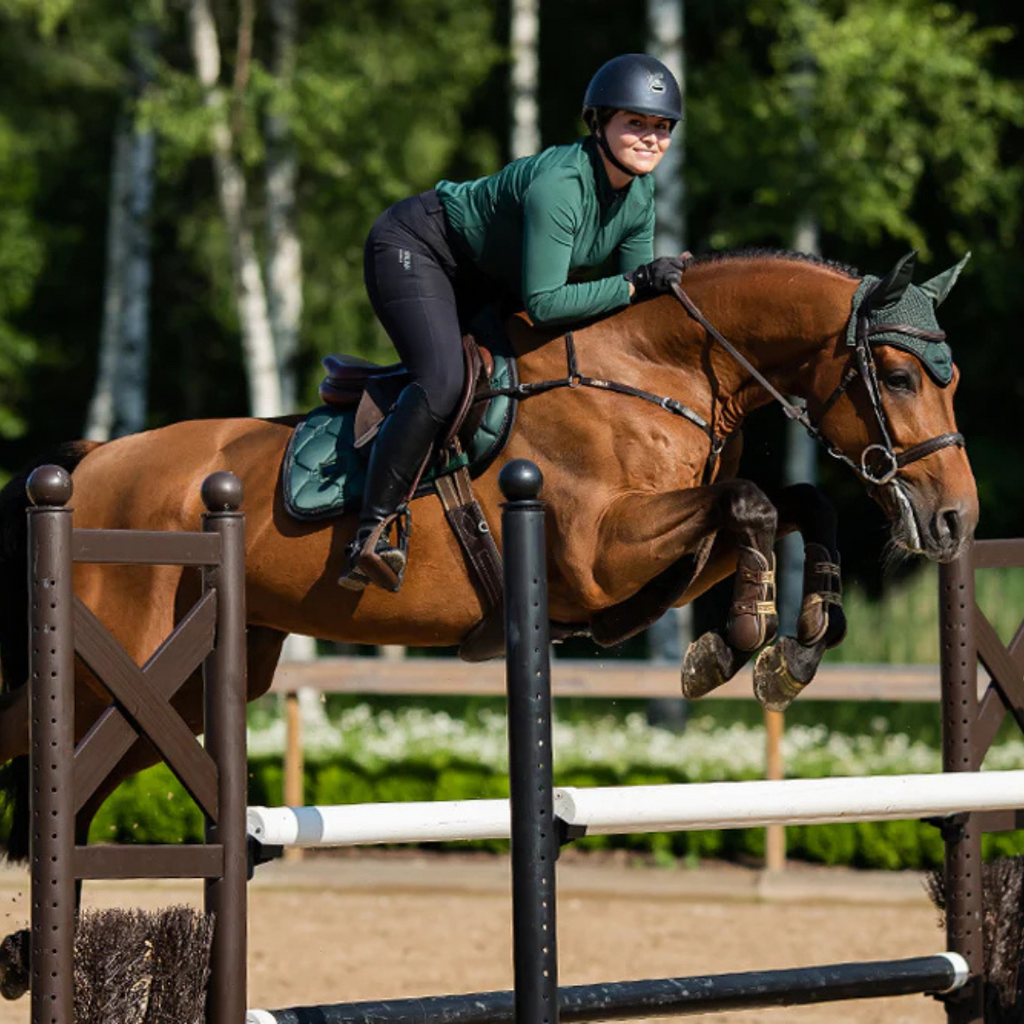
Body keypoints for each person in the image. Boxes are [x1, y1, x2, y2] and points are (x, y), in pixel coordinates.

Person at [340, 52, 687, 593]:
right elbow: (549, 302)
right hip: (419, 249)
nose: (650, 138)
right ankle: (372, 531)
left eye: (661, 128)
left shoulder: (638, 196)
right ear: (598, 123)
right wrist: (639, 283)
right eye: (635, 123)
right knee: (444, 381)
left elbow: (628, 312)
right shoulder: (562, 184)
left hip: (486, 281)